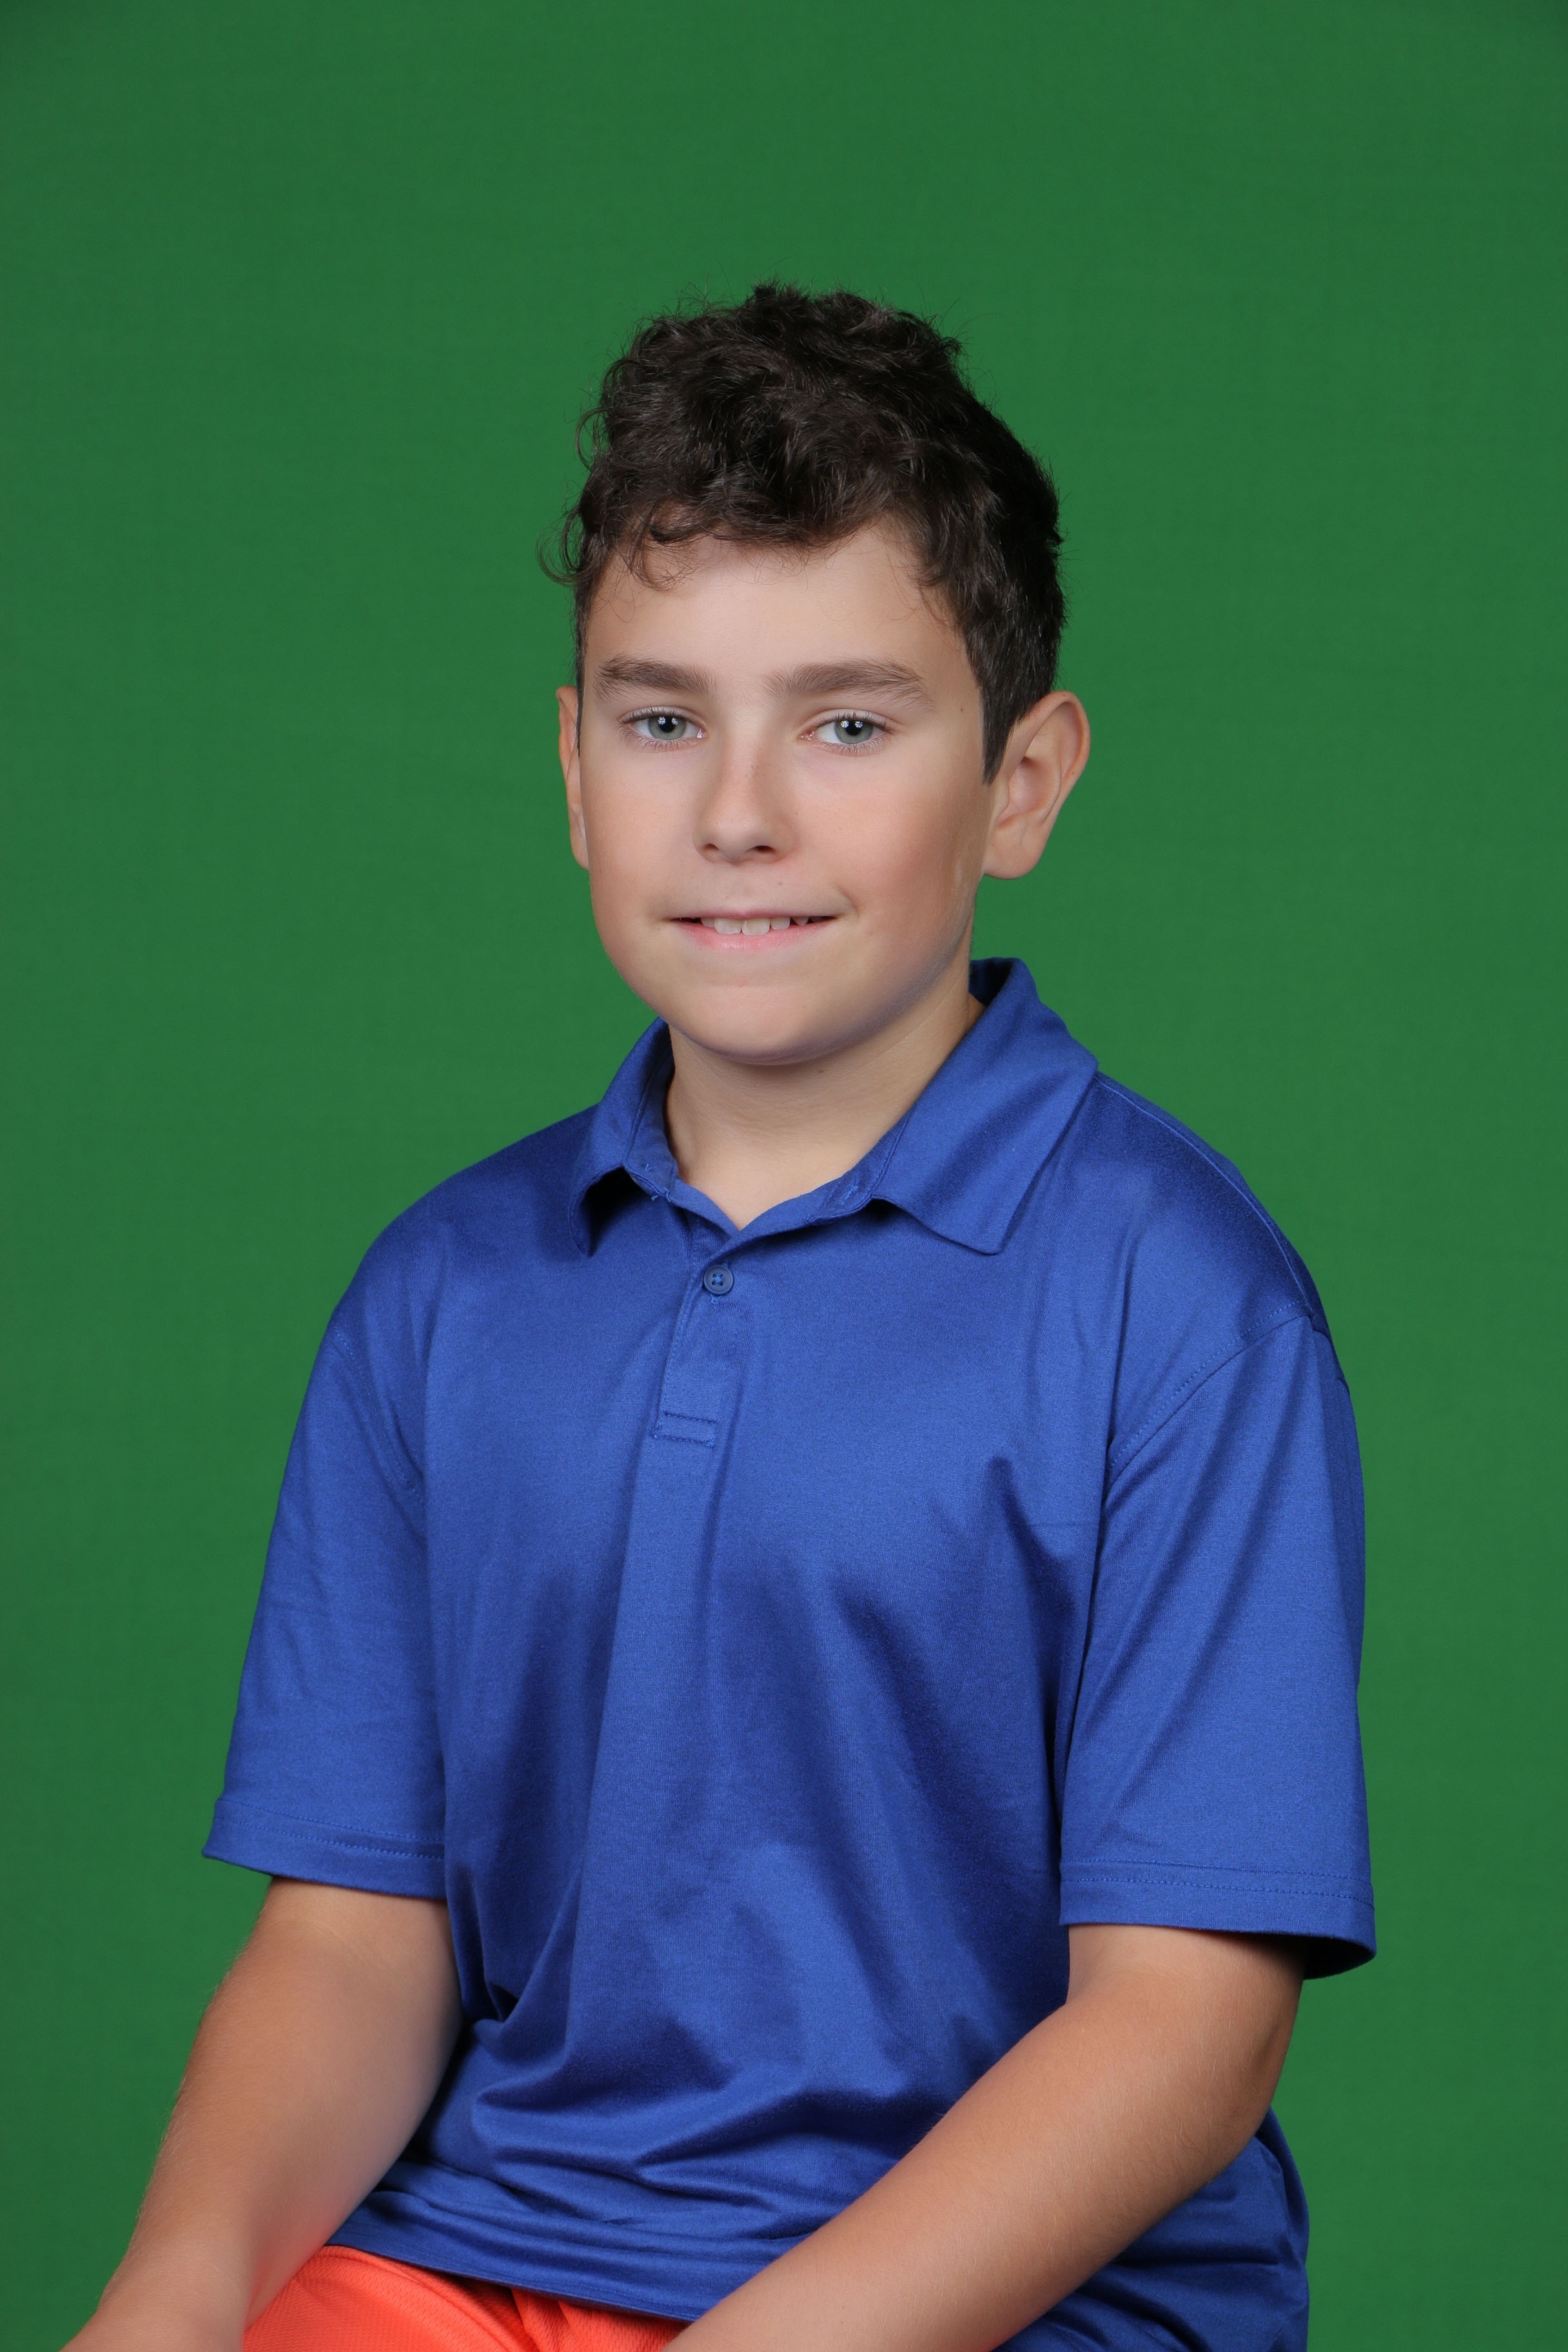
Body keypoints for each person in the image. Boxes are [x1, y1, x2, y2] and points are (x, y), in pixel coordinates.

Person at [69, 284, 1374, 2352]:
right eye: (663, 719)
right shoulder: (442, 1291)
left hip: (1021, 2308)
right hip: (490, 2254)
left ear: (1022, 783)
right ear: (574, 769)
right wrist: (174, 2288)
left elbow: (1183, 2030)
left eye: (848, 725)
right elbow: (354, 1940)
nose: (738, 809)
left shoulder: (1180, 1307)